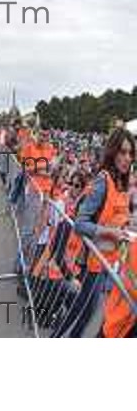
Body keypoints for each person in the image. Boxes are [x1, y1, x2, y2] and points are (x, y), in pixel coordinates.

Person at [70, 128, 135, 337]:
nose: (127, 158)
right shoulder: (102, 181)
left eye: (131, 153)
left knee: (103, 322)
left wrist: (125, 230)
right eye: (122, 152)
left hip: (114, 266)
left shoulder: (124, 183)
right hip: (95, 265)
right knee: (80, 320)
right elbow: (79, 223)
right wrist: (110, 233)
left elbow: (118, 219)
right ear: (112, 152)